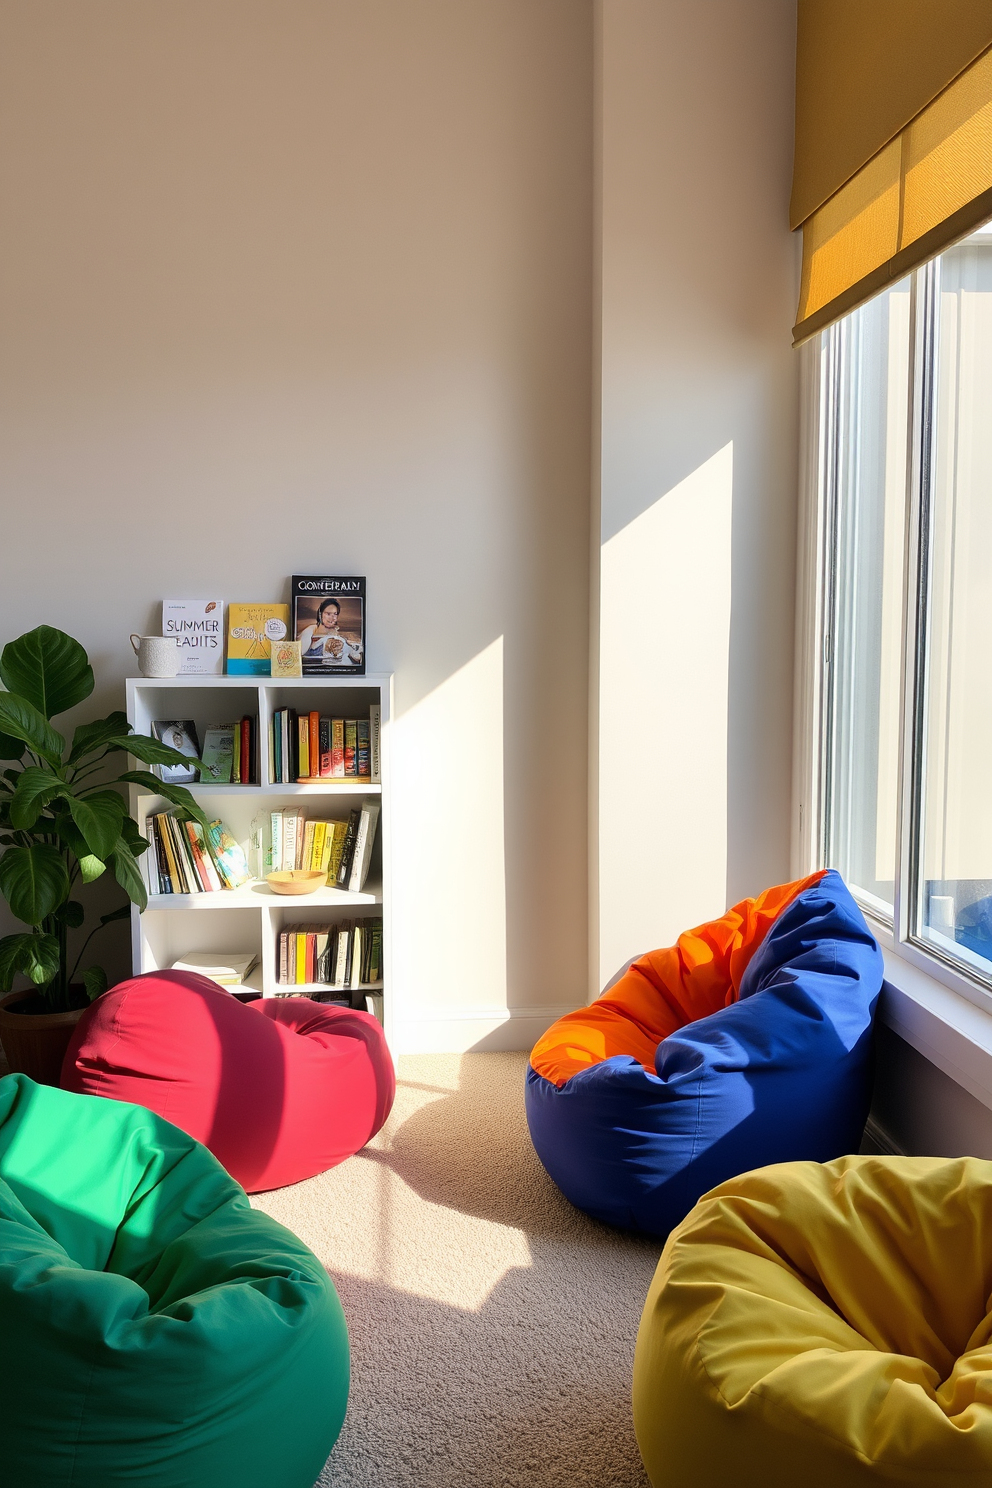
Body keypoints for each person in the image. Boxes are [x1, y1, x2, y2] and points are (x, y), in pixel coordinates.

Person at [297, 598, 363, 667]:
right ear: (320, 614)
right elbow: (301, 652)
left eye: (335, 614)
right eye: (328, 614)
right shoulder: (311, 630)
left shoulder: (340, 635)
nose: (332, 618)